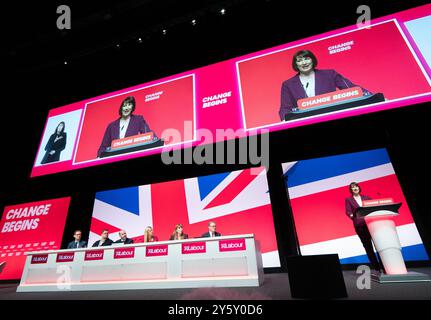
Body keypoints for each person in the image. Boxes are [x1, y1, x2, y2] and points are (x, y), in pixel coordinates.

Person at [279, 49, 372, 120]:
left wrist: (372, 97)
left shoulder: (329, 74)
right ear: (295, 64)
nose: (304, 63)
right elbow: (285, 108)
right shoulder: (288, 84)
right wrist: (285, 120)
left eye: (307, 59)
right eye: (299, 60)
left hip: (331, 117)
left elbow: (352, 88)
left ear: (312, 60)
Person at [345, 182, 384, 272]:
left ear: (359, 188)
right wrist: (352, 215)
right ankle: (377, 268)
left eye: (356, 186)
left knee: (378, 245)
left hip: (371, 224)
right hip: (360, 226)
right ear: (351, 190)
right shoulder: (349, 199)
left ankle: (384, 265)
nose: (355, 188)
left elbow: (374, 206)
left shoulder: (366, 198)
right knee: (368, 247)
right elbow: (347, 211)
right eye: (353, 187)